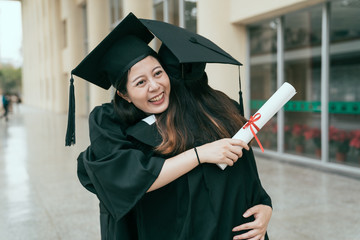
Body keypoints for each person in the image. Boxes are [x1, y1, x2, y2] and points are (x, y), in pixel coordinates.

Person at [71, 13, 272, 240]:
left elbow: (245, 175)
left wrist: (265, 206)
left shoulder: (214, 116)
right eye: (140, 82)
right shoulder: (120, 130)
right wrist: (200, 154)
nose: (155, 86)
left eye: (158, 73)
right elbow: (131, 179)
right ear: (123, 94)